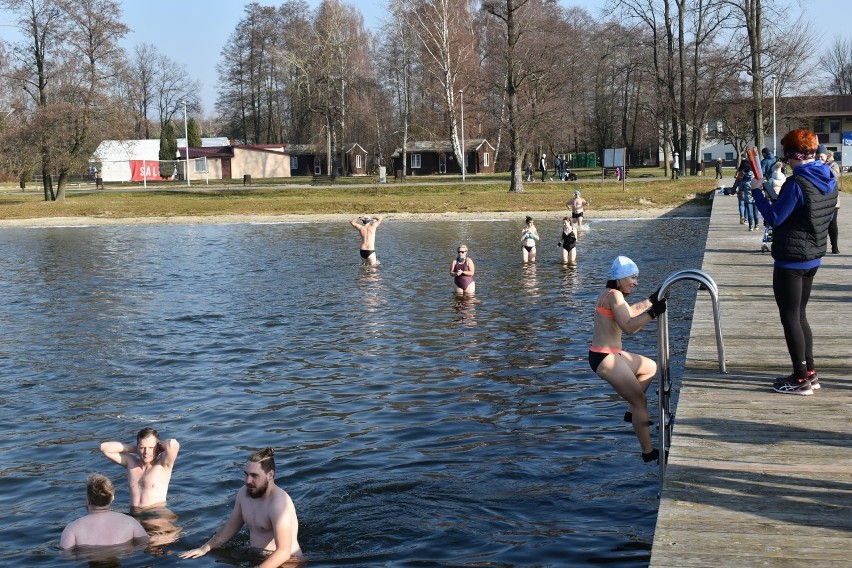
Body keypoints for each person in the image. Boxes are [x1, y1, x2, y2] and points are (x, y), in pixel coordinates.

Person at [753, 129, 838, 395]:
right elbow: (801, 212)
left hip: (791, 259)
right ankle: (809, 372)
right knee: (800, 315)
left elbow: (775, 218)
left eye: (787, 156)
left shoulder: (797, 183)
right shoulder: (828, 177)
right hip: (813, 256)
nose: (786, 161)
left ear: (793, 155)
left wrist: (757, 192)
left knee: (790, 317)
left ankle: (800, 379)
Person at [589, 256, 667, 462]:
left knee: (649, 367)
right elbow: (629, 326)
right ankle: (648, 452)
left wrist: (651, 300)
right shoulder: (614, 295)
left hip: (611, 354)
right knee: (640, 401)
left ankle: (632, 412)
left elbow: (629, 312)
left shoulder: (612, 294)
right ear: (620, 278)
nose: (636, 282)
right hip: (604, 357)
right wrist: (653, 314)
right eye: (632, 277)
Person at [179, 448, 302, 567]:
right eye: (246, 474)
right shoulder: (244, 493)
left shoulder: (279, 504)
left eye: (254, 475)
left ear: (270, 475)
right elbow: (231, 526)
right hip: (256, 557)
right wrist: (204, 548)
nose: (248, 481)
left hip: (287, 562)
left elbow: (283, 552)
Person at [60, 474, 149, 549]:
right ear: (112, 498)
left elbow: (66, 557)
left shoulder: (72, 528)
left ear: (88, 500)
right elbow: (145, 544)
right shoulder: (130, 522)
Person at [100, 427, 180, 509]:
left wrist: (159, 447)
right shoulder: (131, 463)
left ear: (157, 447)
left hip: (155, 514)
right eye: (142, 448)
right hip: (134, 514)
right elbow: (104, 448)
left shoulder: (163, 465)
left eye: (151, 448)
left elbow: (173, 444)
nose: (146, 452)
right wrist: (135, 449)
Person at [817, 144, 841, 254]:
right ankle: (821, 246)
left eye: (821, 156)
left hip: (832, 199)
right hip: (820, 199)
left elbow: (834, 176)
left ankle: (834, 246)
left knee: (832, 222)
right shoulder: (815, 165)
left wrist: (823, 167)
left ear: (826, 156)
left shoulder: (833, 165)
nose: (819, 159)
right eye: (817, 157)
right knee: (821, 223)